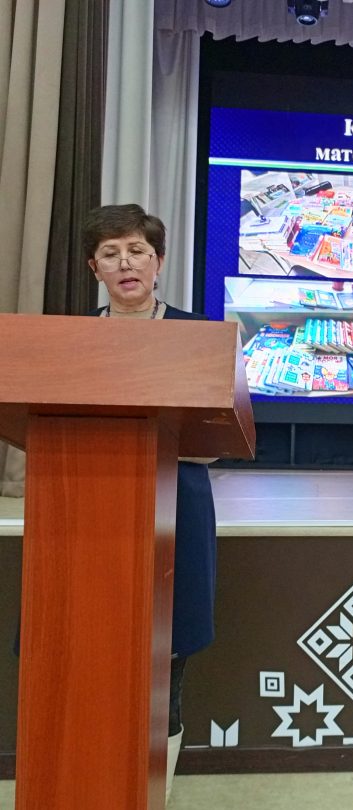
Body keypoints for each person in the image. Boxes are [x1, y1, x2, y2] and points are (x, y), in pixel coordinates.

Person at [83, 203, 217, 805]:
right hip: (89, 509)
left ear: (158, 262)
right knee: (90, 654)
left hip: (175, 511)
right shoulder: (69, 340)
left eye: (137, 251)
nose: (125, 263)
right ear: (95, 269)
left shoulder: (196, 336)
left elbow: (215, 441)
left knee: (167, 663)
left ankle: (152, 795)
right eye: (110, 254)